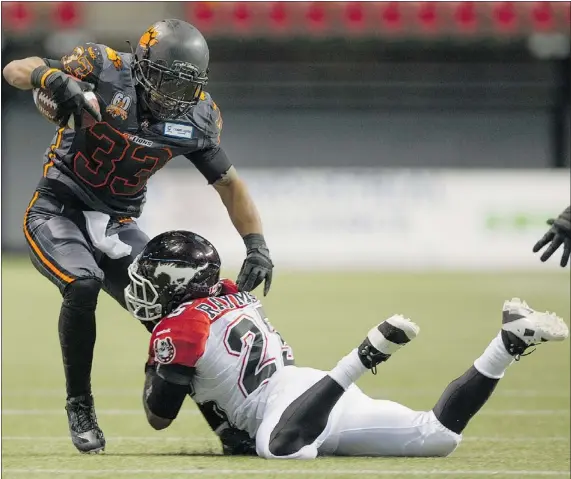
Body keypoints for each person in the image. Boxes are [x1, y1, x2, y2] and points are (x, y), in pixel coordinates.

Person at [2, 19, 274, 454]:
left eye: (184, 85)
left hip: (118, 224)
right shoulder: (103, 67)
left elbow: (229, 184)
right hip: (58, 208)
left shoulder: (198, 116)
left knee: (182, 313)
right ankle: (80, 404)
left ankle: (222, 420)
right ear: (143, 65)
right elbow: (15, 68)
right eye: (165, 79)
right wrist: (51, 76)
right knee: (82, 283)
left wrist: (256, 244)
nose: (173, 94)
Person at [126, 230, 569, 459]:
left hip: (283, 404)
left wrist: (157, 364)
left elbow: (159, 416)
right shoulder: (229, 292)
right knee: (437, 437)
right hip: (307, 390)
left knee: (281, 451)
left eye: (151, 276)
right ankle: (507, 343)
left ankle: (365, 355)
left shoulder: (179, 327)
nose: (143, 285)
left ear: (175, 281)